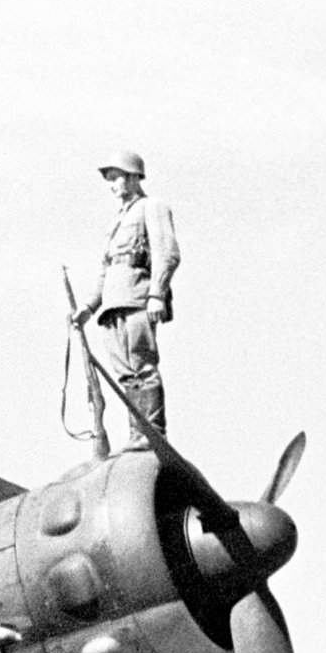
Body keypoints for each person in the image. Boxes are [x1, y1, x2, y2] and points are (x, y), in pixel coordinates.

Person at [72, 149, 181, 451]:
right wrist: (88, 307)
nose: (112, 185)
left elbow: (167, 253)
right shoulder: (116, 222)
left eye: (116, 177)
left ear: (134, 177)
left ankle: (152, 434)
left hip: (137, 298)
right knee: (126, 376)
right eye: (109, 179)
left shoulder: (152, 207)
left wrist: (157, 293)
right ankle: (137, 435)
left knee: (143, 370)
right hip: (111, 306)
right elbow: (106, 269)